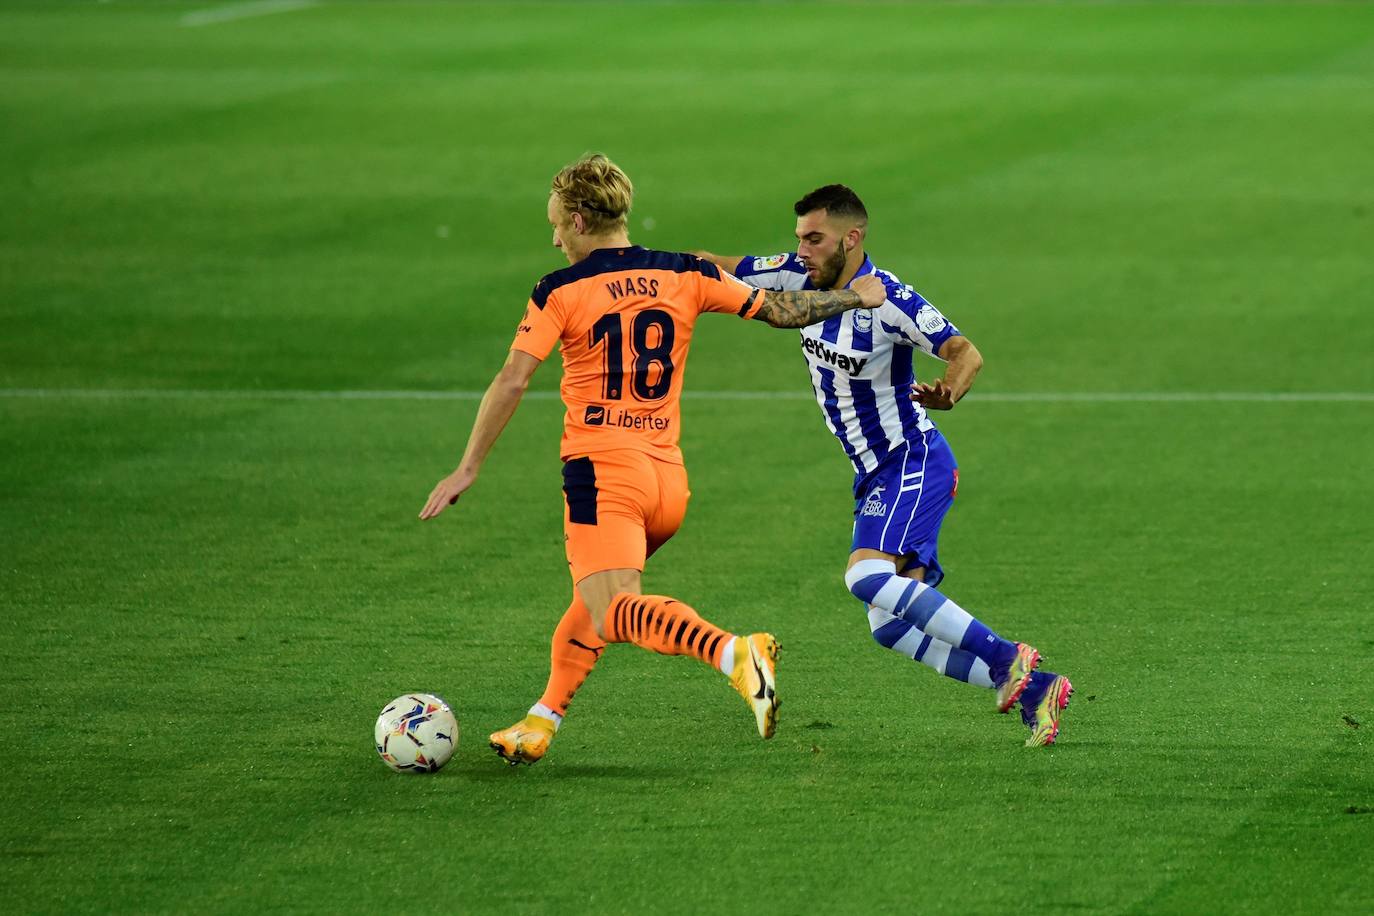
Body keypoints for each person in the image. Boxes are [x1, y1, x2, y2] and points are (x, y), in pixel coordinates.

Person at [420, 157, 887, 765]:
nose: (555, 237)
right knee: (593, 602)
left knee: (613, 609)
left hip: (603, 476)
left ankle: (733, 654)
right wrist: (852, 295)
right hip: (667, 484)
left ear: (582, 219)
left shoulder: (560, 289)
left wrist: (468, 467)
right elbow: (778, 310)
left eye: (558, 224)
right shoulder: (684, 272)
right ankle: (541, 721)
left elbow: (512, 381)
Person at [695, 185, 1072, 747]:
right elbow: (715, 267)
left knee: (864, 577)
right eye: (799, 236)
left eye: (815, 238)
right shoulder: (797, 276)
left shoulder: (890, 299)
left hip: (911, 459)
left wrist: (951, 390)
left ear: (851, 238)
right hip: (874, 471)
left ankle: (1006, 659)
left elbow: (965, 351)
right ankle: (1036, 688)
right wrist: (639, 266)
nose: (802, 249)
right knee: (889, 625)